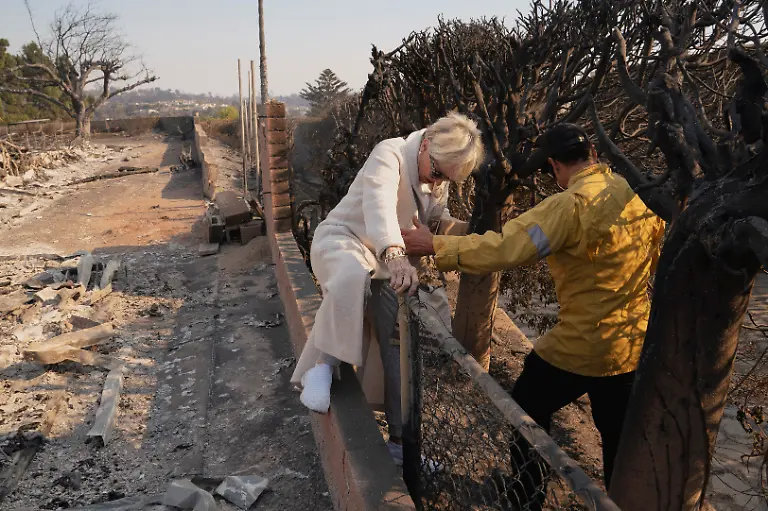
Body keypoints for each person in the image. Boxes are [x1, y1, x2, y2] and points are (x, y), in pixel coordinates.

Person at [402, 123, 665, 492]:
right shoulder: (637, 198)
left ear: (554, 165)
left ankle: (527, 492)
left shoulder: (568, 208)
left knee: (526, 409)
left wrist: (436, 245)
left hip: (578, 347)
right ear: (594, 154)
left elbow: (507, 248)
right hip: (629, 346)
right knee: (617, 440)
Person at [291, 113, 485, 465]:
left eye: (445, 178)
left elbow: (434, 221)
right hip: (344, 241)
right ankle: (321, 366)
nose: (438, 181)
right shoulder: (390, 153)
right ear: (426, 144)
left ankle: (400, 443)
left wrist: (475, 233)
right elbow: (379, 206)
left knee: (397, 340)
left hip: (382, 265)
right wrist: (396, 255)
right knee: (352, 274)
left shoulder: (435, 178)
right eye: (437, 171)